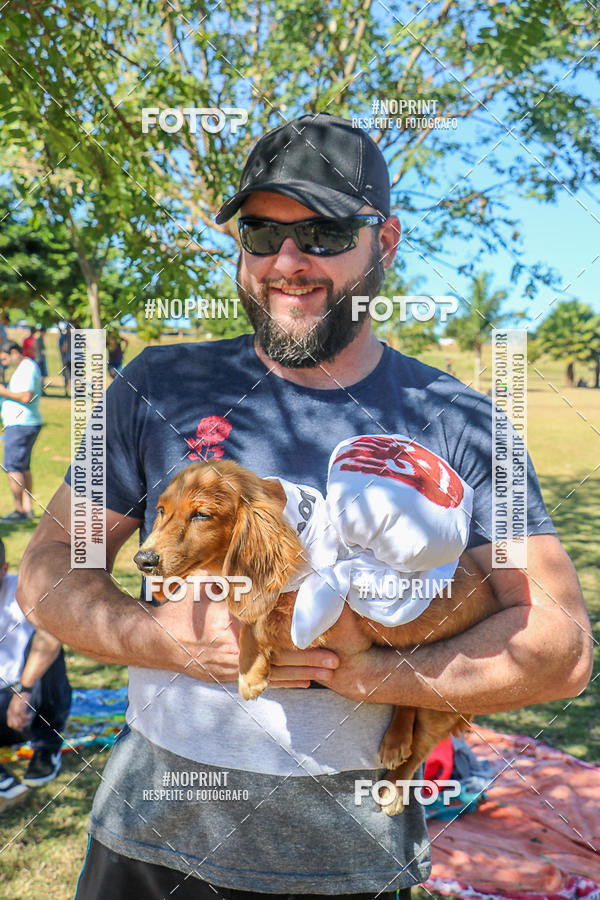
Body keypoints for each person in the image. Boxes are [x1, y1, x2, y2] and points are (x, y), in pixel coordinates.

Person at [17, 114, 592, 898]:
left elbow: (559, 646)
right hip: (145, 851)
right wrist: (159, 636)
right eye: (260, 233)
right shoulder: (155, 384)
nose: (287, 262)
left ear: (383, 242)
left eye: (321, 232)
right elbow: (51, 567)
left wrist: (373, 672)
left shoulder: (466, 422)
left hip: (348, 867)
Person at [0, 538, 71, 802]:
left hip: (29, 703)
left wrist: (24, 690)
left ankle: (46, 747)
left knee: (49, 641)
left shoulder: (24, 591)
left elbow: (53, 635)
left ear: (4, 569)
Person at [0, 340, 43, 521]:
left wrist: (2, 391)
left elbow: (26, 396)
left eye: (4, 359)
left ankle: (19, 510)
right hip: (23, 423)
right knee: (23, 467)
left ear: (15, 352)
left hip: (20, 424)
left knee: (13, 467)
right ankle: (27, 509)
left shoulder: (26, 367)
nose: (4, 363)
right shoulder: (26, 367)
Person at [58, 323, 72, 396]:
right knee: (66, 376)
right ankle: (66, 391)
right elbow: (62, 349)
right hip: (66, 360)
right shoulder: (63, 338)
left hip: (73, 360)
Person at [34, 325, 48, 393]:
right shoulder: (39, 339)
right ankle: (40, 389)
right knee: (41, 375)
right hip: (39, 359)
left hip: (40, 359)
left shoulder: (39, 338)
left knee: (42, 375)